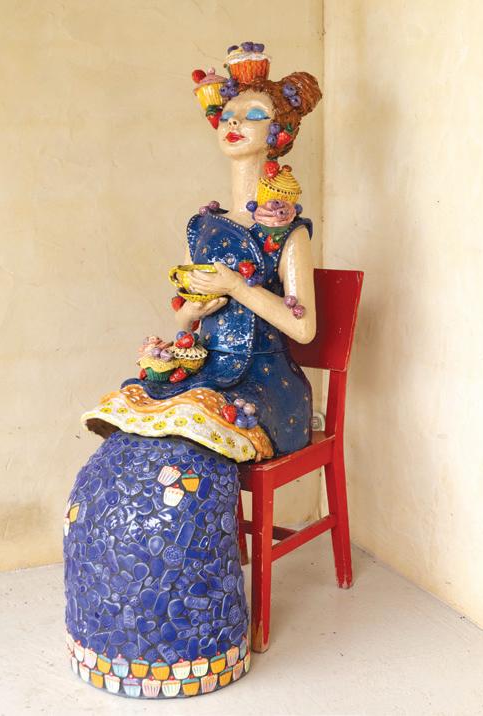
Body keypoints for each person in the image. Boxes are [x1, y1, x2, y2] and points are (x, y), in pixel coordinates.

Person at [64, 42, 321, 699]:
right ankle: (134, 622)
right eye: (228, 114)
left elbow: (303, 329)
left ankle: (200, 630)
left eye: (254, 115)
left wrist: (235, 287)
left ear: (279, 134)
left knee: (186, 440)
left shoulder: (286, 233)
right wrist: (191, 313)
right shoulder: (204, 228)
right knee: (136, 425)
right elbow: (186, 316)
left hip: (267, 383)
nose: (235, 123)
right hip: (204, 369)